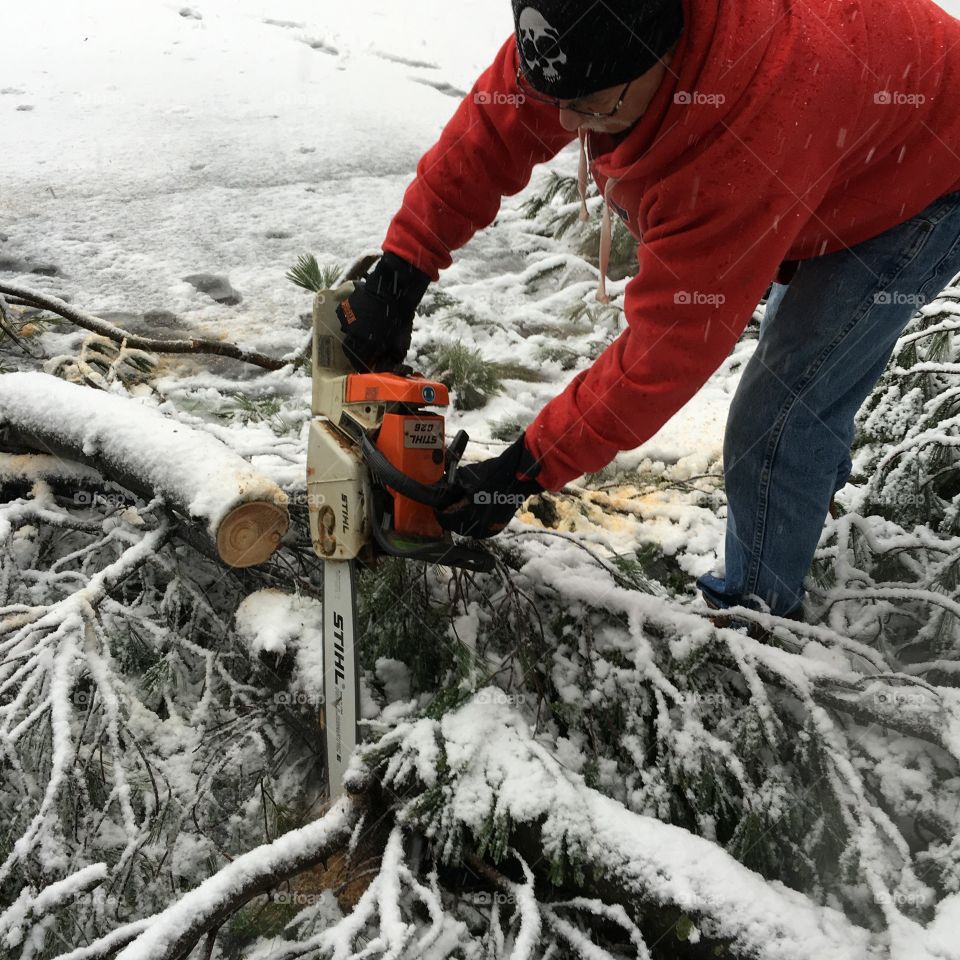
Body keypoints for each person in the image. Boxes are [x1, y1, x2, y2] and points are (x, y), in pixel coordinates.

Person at [336, 0, 960, 627]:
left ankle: (760, 624)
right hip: (853, 116)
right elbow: (492, 133)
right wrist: (402, 267)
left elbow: (665, 352)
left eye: (592, 107)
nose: (565, 122)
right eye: (552, 96)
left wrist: (524, 469)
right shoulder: (573, 29)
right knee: (804, 386)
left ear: (665, 58)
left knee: (782, 409)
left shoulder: (745, 131)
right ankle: (801, 499)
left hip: (930, 163)